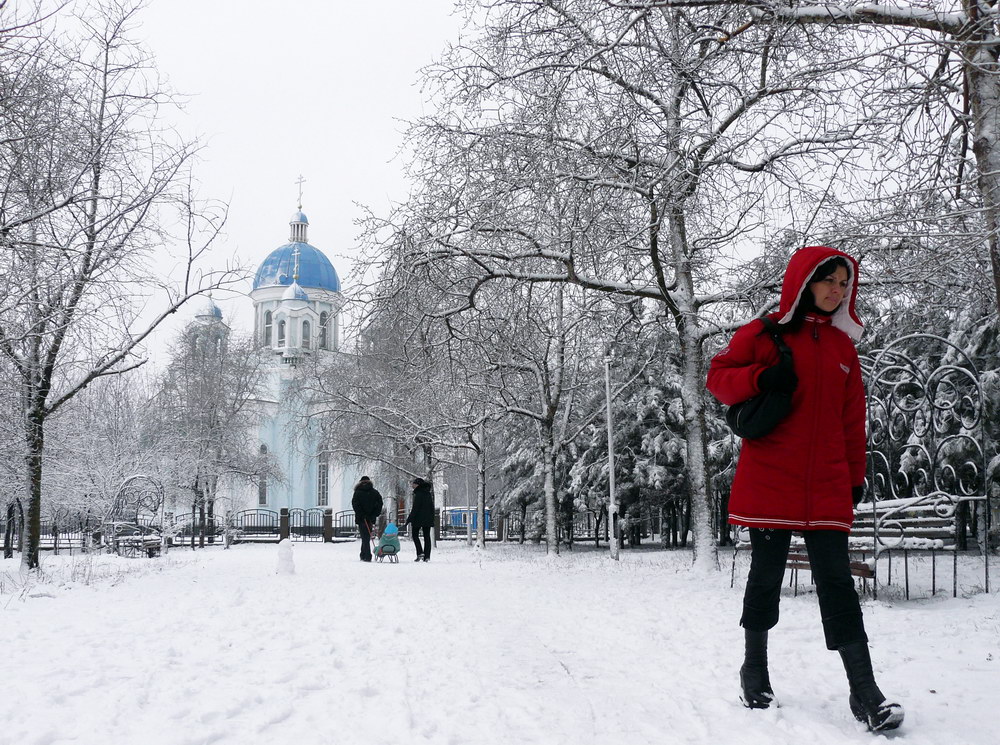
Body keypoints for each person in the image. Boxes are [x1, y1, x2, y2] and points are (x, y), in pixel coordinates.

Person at [706, 246, 904, 732]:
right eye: (828, 281)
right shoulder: (764, 332)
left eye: (844, 283)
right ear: (804, 282)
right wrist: (761, 375)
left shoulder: (842, 349)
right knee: (766, 576)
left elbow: (851, 421)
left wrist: (855, 477)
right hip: (771, 480)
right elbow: (718, 376)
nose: (837, 291)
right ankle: (755, 671)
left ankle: (865, 692)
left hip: (826, 487)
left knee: (838, 584)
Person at [352, 476, 383, 562]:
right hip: (370, 518)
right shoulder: (375, 492)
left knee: (365, 536)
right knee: (366, 536)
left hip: (362, 518)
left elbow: (355, 504)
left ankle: (367, 555)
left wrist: (361, 514)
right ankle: (363, 554)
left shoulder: (357, 492)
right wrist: (374, 514)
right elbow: (379, 504)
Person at [404, 476, 434, 562]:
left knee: (415, 535)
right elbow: (431, 507)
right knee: (427, 537)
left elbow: (415, 508)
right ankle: (427, 556)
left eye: (414, 483)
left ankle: (420, 552)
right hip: (427, 518)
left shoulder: (418, 494)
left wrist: (409, 519)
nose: (412, 485)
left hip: (418, 518)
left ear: (418, 485)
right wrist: (431, 518)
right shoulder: (428, 493)